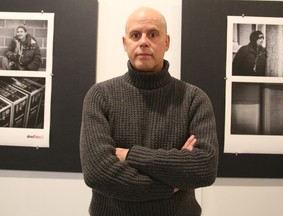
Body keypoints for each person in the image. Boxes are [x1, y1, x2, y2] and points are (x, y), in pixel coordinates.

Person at [80, 7, 218, 216]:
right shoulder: (100, 95)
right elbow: (97, 173)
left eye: (152, 34)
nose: (143, 41)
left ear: (167, 42)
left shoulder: (193, 99)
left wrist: (129, 154)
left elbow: (204, 168)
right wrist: (169, 185)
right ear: (125, 43)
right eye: (136, 35)